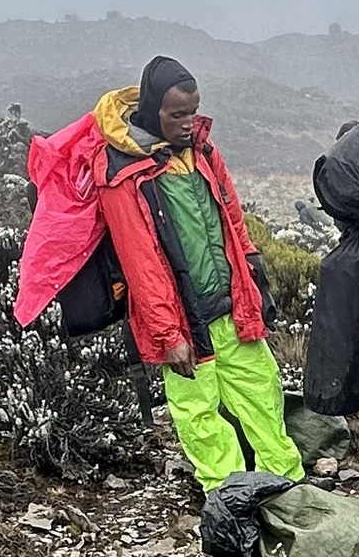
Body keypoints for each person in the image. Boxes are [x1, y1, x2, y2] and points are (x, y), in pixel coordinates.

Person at [93, 54, 303, 492]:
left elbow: (232, 217)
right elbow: (141, 264)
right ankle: (228, 501)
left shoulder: (203, 151)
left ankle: (288, 489)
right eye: (177, 114)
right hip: (184, 320)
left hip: (231, 303)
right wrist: (169, 336)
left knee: (264, 395)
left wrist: (252, 272)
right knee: (199, 415)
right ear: (154, 110)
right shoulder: (122, 173)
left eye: (193, 111)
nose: (189, 122)